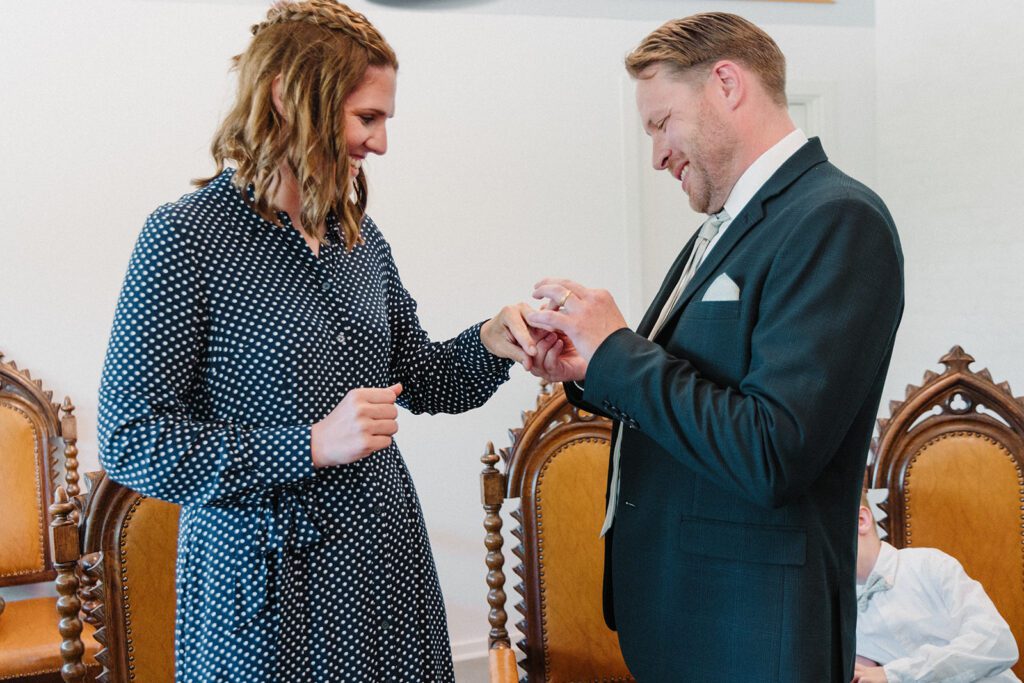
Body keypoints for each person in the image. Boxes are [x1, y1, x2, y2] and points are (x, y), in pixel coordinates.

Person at [97, 2, 539, 681]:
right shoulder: (184, 239)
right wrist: (307, 443)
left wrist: (496, 337)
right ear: (287, 96)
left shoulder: (360, 241)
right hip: (266, 593)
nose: (382, 143)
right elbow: (131, 439)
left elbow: (422, 379)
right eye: (368, 118)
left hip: (384, 570)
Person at [525, 12, 904, 682]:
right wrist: (590, 365)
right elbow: (692, 389)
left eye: (660, 122)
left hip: (755, 632)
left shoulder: (836, 218)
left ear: (726, 84)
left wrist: (617, 346)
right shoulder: (726, 225)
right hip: (690, 615)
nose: (657, 154)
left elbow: (770, 449)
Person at [854, 493, 1020, 683]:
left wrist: (894, 675)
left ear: (862, 520)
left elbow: (998, 644)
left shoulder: (930, 565)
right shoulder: (838, 613)